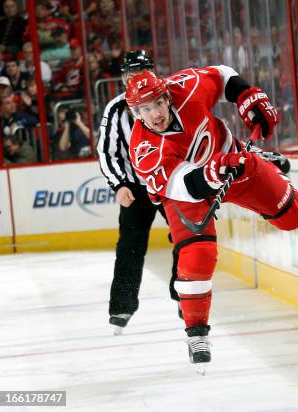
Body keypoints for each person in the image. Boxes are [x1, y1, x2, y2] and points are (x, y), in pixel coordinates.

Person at [125, 66, 298, 364]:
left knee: (293, 216)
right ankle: (197, 334)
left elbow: (222, 76)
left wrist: (247, 95)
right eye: (146, 109)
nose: (155, 113)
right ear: (136, 114)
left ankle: (259, 159)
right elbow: (186, 185)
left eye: (157, 103)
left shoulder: (188, 87)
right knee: (198, 255)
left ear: (167, 97)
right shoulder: (143, 149)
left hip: (233, 160)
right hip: (185, 193)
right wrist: (212, 172)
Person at [97, 50, 178, 332]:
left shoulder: (168, 97)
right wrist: (118, 184)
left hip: (171, 183)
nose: (136, 80)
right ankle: (122, 306)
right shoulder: (116, 109)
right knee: (130, 247)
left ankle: (184, 292)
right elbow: (107, 152)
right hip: (134, 187)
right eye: (130, 75)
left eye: (141, 73)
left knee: (186, 235)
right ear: (123, 78)